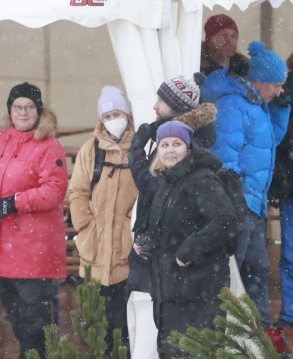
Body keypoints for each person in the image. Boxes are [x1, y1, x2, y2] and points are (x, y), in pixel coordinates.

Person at [201, 40, 291, 352]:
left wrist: (281, 110)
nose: (279, 91)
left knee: (258, 270)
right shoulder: (234, 107)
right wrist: (235, 201)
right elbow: (226, 160)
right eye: (277, 86)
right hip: (239, 206)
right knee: (231, 272)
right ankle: (220, 337)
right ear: (260, 81)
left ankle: (259, 335)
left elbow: (271, 141)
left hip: (254, 205)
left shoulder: (258, 107)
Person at [0, 82, 68, 358]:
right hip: (3, 248)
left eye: (29, 107)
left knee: (34, 322)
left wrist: (13, 202)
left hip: (34, 247)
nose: (23, 112)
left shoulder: (49, 146)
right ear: (9, 111)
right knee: (16, 317)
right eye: (17, 107)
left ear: (39, 111)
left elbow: (54, 190)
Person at [127, 75, 216, 359]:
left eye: (162, 101)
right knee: (155, 319)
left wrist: (136, 156)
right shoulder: (164, 133)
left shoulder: (188, 142)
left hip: (176, 255)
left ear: (177, 106)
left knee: (173, 332)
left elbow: (156, 185)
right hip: (161, 247)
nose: (154, 106)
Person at [143, 120, 236, 358]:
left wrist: (187, 252)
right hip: (170, 291)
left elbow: (224, 220)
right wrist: (147, 243)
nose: (170, 150)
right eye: (164, 145)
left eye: (177, 144)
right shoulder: (167, 181)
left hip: (198, 291)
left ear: (189, 148)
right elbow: (170, 228)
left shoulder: (201, 179)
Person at [68, 85, 137, 355]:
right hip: (93, 252)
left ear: (128, 115)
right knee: (96, 328)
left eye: (117, 113)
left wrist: (130, 226)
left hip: (127, 256)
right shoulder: (91, 150)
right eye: (107, 116)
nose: (112, 120)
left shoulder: (141, 149)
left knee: (126, 326)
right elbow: (78, 191)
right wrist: (85, 224)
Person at [269, 51, 293, 330]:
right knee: (289, 254)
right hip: (289, 184)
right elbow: (278, 138)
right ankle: (289, 313)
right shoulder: (284, 91)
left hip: (287, 181)